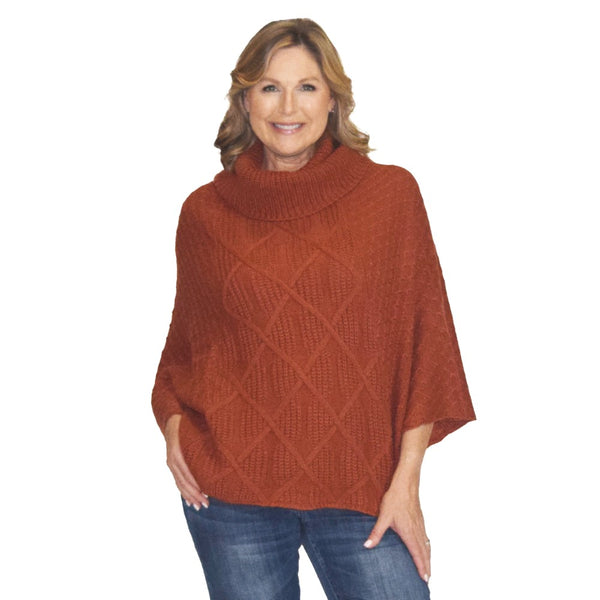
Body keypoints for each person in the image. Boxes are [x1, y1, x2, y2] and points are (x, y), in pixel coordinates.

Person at [152, 17, 475, 600]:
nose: (287, 106)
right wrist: (175, 426)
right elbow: (188, 348)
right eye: (269, 87)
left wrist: (406, 482)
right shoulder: (204, 213)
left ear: (332, 99)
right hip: (232, 493)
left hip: (362, 487)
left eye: (306, 86)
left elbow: (426, 344)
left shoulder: (389, 197)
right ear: (245, 100)